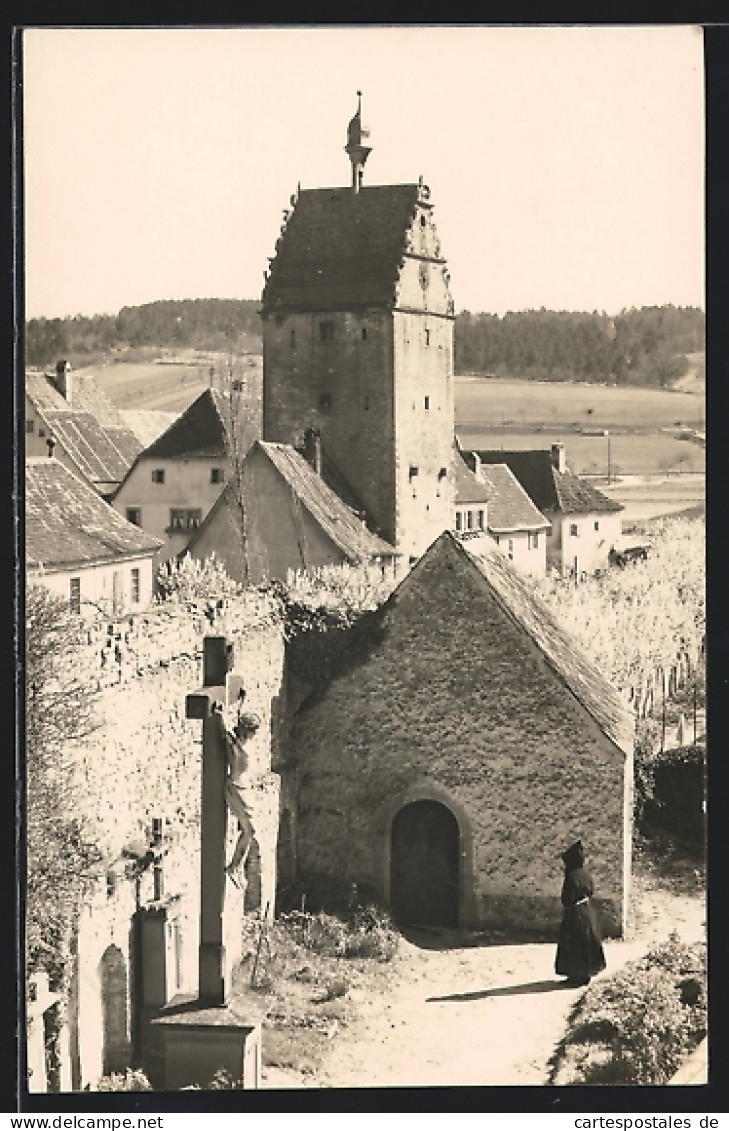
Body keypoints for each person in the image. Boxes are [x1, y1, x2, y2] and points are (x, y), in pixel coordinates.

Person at [554, 840, 606, 987]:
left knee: (574, 943)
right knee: (586, 942)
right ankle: (585, 975)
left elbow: (566, 898)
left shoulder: (571, 876)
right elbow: (591, 891)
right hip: (587, 911)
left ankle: (575, 977)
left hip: (575, 913)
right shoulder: (586, 874)